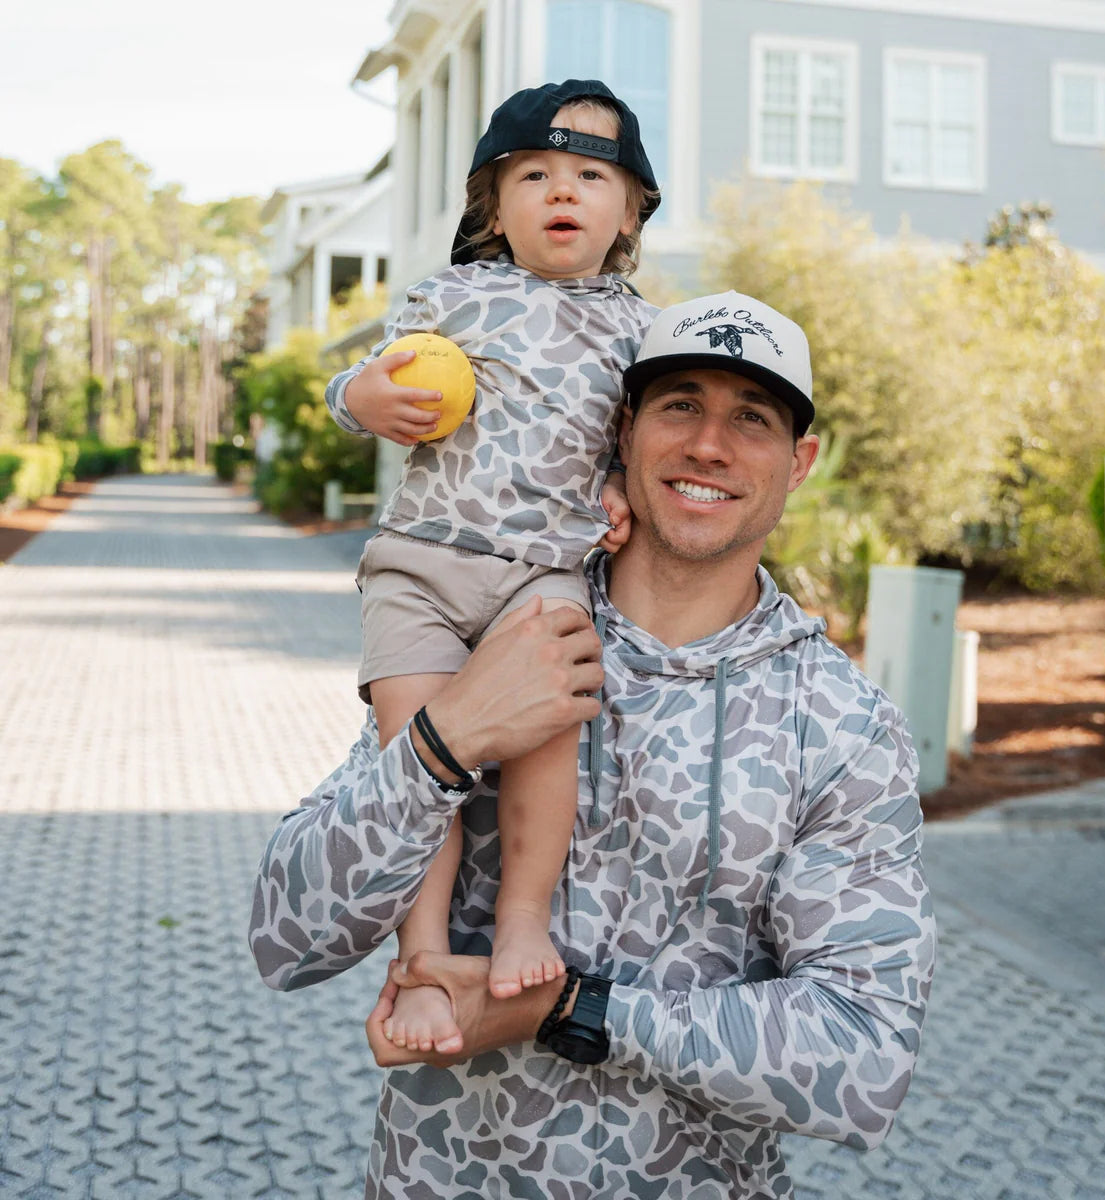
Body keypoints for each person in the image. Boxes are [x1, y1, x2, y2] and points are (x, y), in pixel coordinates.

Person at [249, 289, 937, 1200]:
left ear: (799, 461)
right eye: (680, 404)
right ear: (622, 429)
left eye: (753, 418)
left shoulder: (841, 724)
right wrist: (448, 738)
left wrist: (567, 1009)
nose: (709, 446)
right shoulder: (491, 629)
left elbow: (864, 1053)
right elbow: (290, 938)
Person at [323, 79, 660, 1044]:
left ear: (629, 212)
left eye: (590, 177)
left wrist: (620, 487)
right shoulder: (452, 296)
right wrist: (361, 399)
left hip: (544, 573)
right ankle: (422, 959)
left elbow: (635, 442)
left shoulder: (640, 331)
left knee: (550, 740)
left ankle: (521, 917)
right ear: (494, 209)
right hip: (423, 566)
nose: (563, 191)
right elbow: (367, 379)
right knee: (418, 757)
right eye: (535, 175)